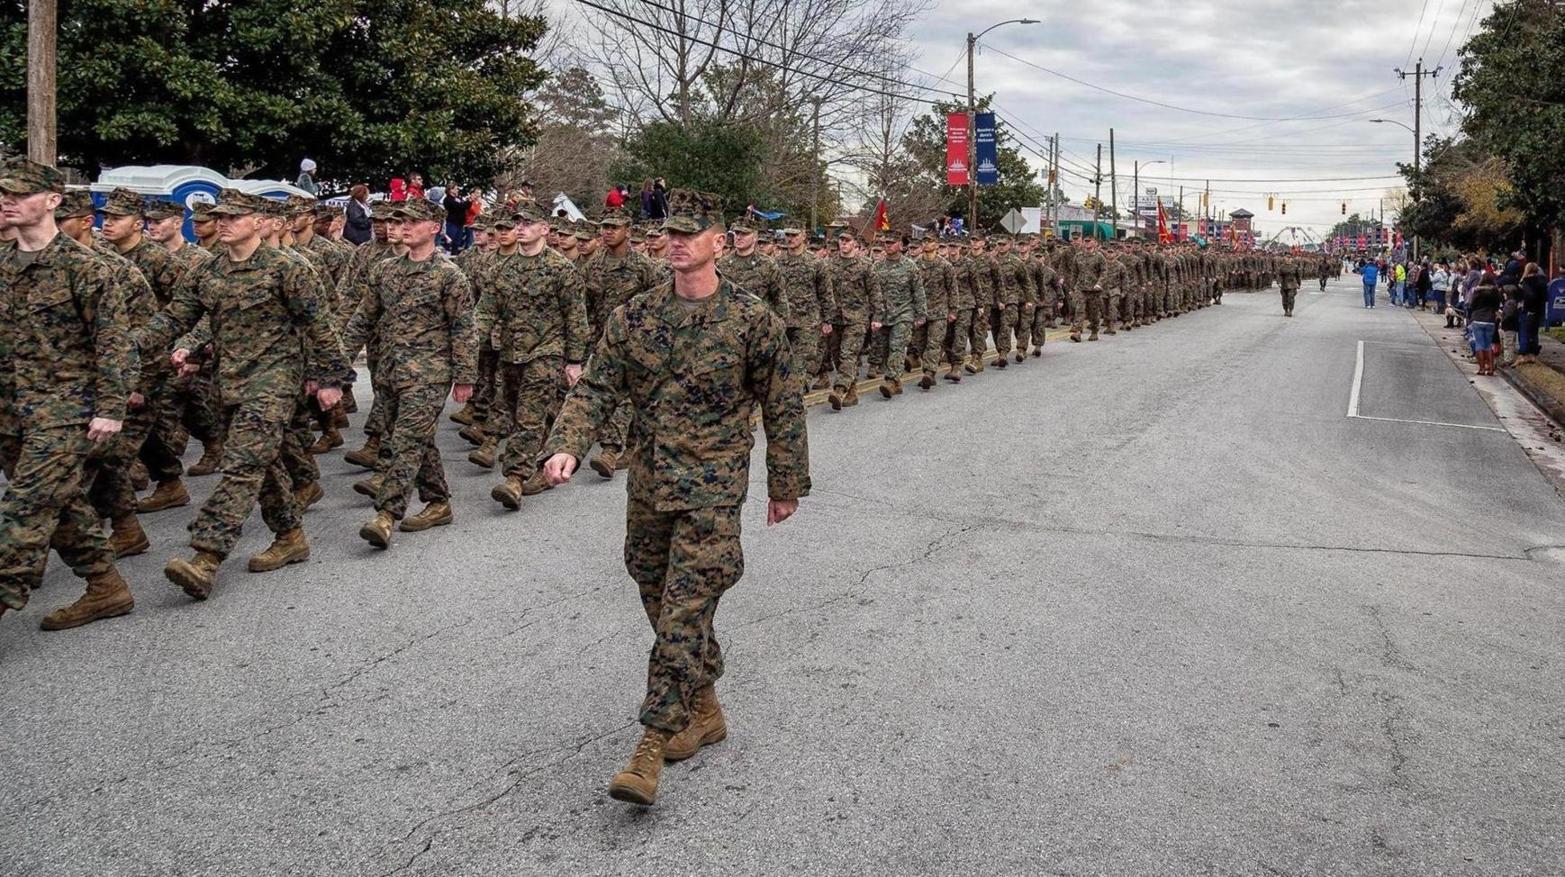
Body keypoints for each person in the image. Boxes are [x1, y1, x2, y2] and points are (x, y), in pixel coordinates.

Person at [539, 189, 810, 807]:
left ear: (720, 243)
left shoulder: (751, 320)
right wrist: (568, 445)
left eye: (691, 233)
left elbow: (783, 405)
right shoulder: (635, 317)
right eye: (671, 232)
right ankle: (705, 705)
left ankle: (652, 742)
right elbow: (596, 386)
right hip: (650, 481)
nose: (677, 242)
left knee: (685, 607)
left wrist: (785, 483)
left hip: (714, 485)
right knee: (656, 590)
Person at [136, 189, 349, 601]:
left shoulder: (287, 268)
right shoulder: (209, 270)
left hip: (275, 381)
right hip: (228, 382)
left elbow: (319, 326)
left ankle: (206, 556)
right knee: (264, 466)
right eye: (220, 217)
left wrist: (330, 378)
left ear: (259, 222)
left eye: (234, 217)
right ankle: (290, 536)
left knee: (242, 465)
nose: (224, 223)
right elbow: (175, 317)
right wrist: (129, 347)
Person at [0, 160, 138, 631]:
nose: (8, 201)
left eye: (19, 193)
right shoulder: (3, 264)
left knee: (25, 506)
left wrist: (110, 409)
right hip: (11, 410)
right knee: (60, 503)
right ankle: (105, 586)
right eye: (4, 193)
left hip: (66, 409)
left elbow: (114, 345)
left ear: (52, 201)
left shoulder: (85, 268)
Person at [340, 198, 476, 546]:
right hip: (390, 371)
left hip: (430, 373)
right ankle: (438, 502)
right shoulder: (385, 270)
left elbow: (463, 328)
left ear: (434, 227)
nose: (403, 227)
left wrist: (465, 377)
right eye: (401, 221)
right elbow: (363, 318)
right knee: (419, 440)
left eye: (412, 222)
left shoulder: (449, 275)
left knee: (404, 441)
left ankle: (386, 515)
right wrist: (338, 363)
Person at [1468, 275, 1503, 376]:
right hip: (1490, 320)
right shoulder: (1495, 292)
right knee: (1488, 345)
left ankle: (1482, 368)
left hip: (1478, 319)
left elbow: (1472, 305)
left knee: (1479, 344)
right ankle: (1491, 369)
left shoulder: (1477, 291)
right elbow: (1497, 306)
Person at [1517, 262, 1547, 364]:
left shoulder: (1526, 282)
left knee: (1524, 332)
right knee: (1534, 333)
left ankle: (1523, 354)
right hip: (1538, 311)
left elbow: (1526, 296)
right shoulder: (1542, 282)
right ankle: (1532, 354)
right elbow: (1545, 297)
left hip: (1528, 310)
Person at [442, 185, 470, 254]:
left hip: (460, 223)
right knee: (449, 240)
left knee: (457, 242)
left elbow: (465, 207)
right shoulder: (448, 199)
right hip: (452, 222)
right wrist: (468, 202)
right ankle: (446, 254)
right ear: (450, 190)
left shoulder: (458, 198)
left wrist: (468, 202)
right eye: (456, 189)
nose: (457, 190)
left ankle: (454, 254)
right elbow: (459, 207)